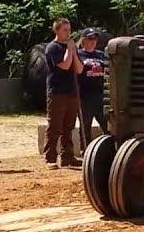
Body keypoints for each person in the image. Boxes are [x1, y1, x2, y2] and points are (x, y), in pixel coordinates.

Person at [43, 17, 82, 169]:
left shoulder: (70, 48)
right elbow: (65, 66)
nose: (68, 33)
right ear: (57, 30)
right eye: (65, 30)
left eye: (69, 30)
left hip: (71, 91)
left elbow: (78, 69)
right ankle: (50, 157)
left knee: (69, 126)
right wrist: (70, 49)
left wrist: (73, 51)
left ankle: (68, 156)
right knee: (55, 126)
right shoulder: (53, 48)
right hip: (57, 92)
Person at [76, 28, 109, 150]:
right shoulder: (79, 54)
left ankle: (109, 149)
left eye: (95, 38)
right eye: (90, 38)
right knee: (85, 127)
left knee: (107, 125)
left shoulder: (101, 54)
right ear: (83, 40)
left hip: (101, 95)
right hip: (85, 96)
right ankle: (85, 150)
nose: (93, 41)